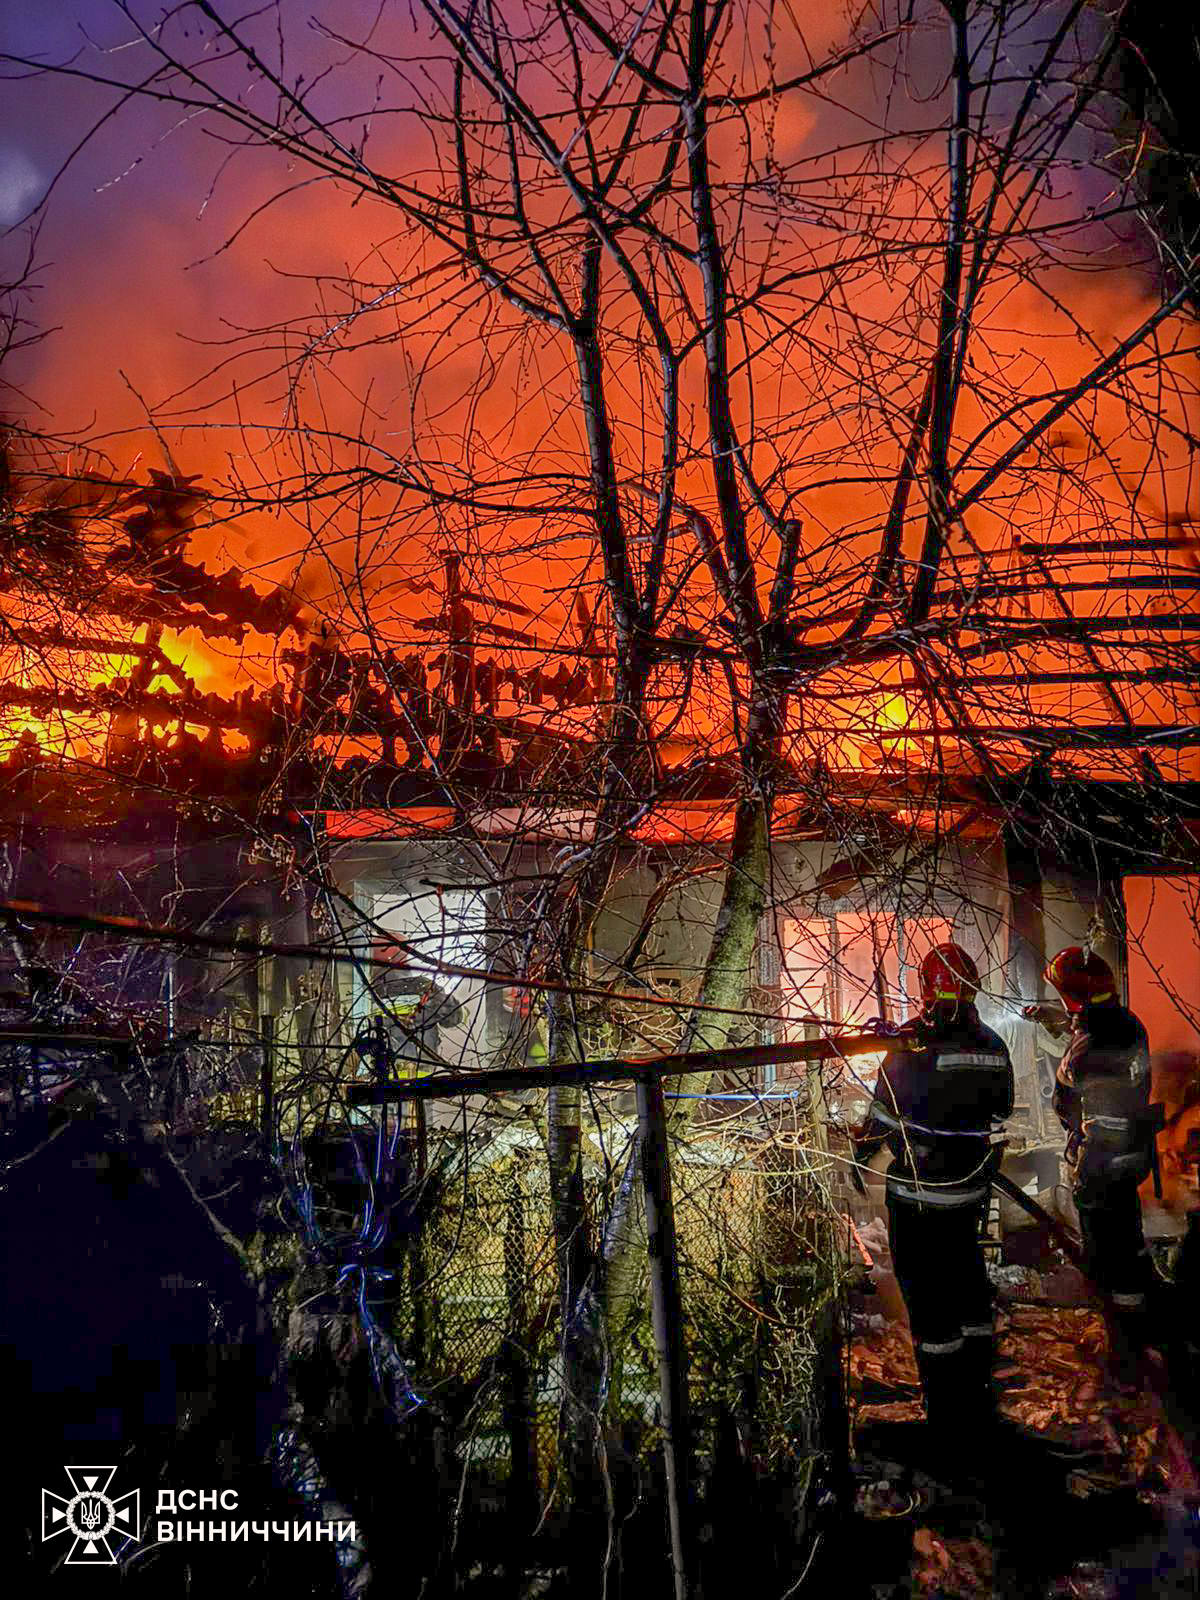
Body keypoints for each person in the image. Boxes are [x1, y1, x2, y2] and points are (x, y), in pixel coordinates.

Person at [852, 943, 1014, 1439]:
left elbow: (881, 1120)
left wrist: (861, 1153)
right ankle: (978, 1399)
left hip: (921, 1196)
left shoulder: (913, 1048)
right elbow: (1001, 1110)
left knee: (929, 1298)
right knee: (967, 1284)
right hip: (969, 1192)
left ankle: (945, 1415)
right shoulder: (991, 1044)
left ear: (927, 987)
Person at [1033, 947, 1159, 1368]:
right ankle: (1142, 1328)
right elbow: (1095, 1043)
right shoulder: (1128, 1024)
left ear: (1073, 998)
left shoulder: (1090, 1043)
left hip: (1102, 1159)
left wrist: (1081, 1160)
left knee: (1106, 1253)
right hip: (1131, 1154)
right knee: (1128, 1241)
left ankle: (1122, 1351)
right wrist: (1059, 1022)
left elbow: (1072, 1093)